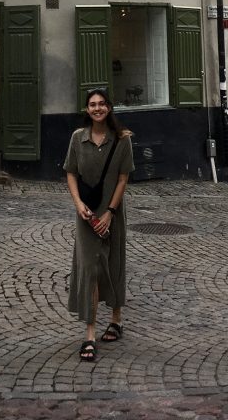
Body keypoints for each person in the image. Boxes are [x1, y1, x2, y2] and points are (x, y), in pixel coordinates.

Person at [63, 88, 134, 363]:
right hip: (86, 215)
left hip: (112, 213)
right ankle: (90, 334)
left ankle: (116, 319)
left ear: (109, 108)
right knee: (90, 268)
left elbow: (122, 180)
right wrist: (78, 204)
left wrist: (110, 213)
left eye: (102, 104)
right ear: (86, 110)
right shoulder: (77, 139)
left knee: (113, 262)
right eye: (92, 105)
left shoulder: (122, 140)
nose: (97, 108)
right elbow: (70, 172)